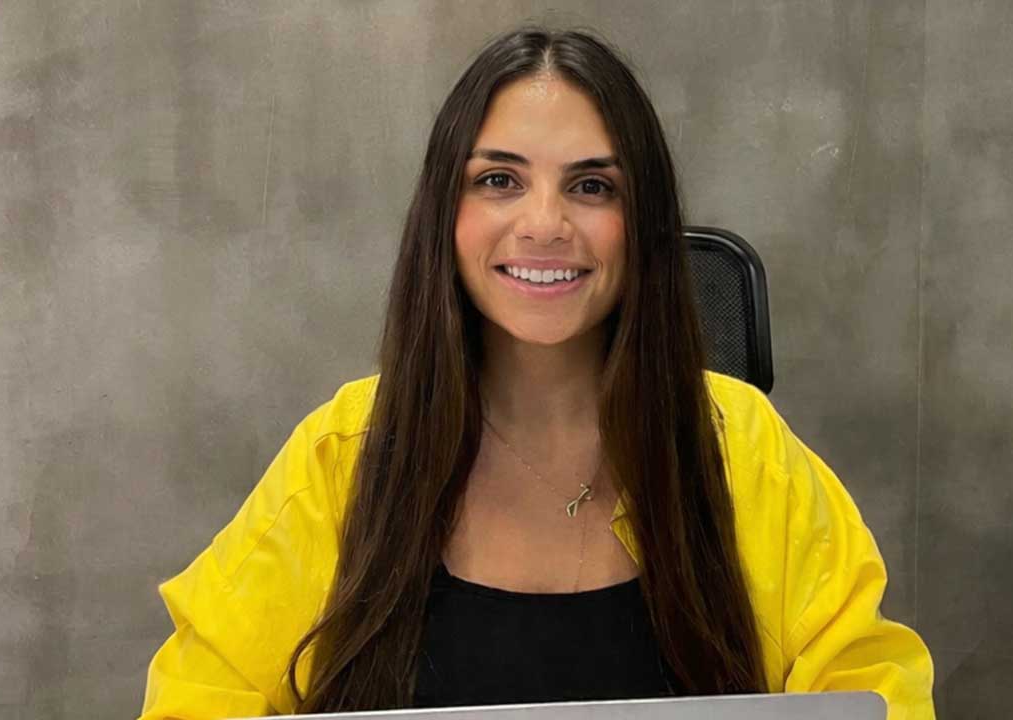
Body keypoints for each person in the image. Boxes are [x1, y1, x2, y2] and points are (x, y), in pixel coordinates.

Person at [139, 26, 935, 719]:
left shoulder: (742, 446)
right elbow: (199, 698)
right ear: (445, 216)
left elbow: (870, 693)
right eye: (499, 181)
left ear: (642, 223)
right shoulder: (343, 455)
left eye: (592, 186)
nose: (545, 224)